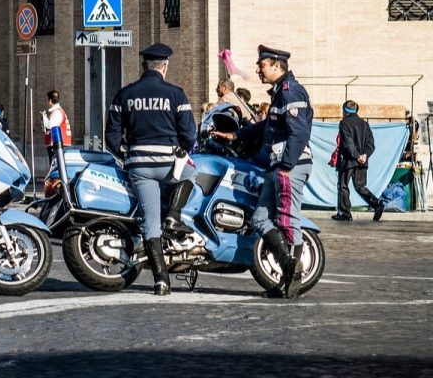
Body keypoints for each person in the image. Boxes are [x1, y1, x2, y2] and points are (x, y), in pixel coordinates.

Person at [212, 45, 313, 299]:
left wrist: (287, 166)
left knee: (288, 220)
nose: (257, 69)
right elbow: (265, 126)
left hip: (290, 166)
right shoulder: (279, 94)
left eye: (262, 65)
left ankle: (292, 280)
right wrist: (235, 134)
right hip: (276, 165)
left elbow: (299, 133)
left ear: (277, 66)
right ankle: (288, 270)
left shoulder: (291, 93)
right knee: (259, 219)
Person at [105, 43, 197, 296]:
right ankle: (175, 215)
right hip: (169, 164)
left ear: (144, 66)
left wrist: (126, 152)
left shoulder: (124, 95)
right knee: (192, 174)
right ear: (165, 67)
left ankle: (161, 281)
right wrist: (183, 148)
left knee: (150, 223)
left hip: (139, 166)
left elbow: (111, 136)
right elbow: (190, 135)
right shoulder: (176, 95)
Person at [331, 100, 384, 222]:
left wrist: (356, 155)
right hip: (362, 161)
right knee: (360, 186)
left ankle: (345, 213)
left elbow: (347, 142)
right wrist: (364, 155)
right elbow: (371, 144)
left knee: (343, 186)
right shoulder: (364, 124)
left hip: (349, 160)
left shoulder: (344, 123)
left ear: (345, 111)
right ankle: (377, 204)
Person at [42, 90, 72, 161]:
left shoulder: (57, 112)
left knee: (55, 165)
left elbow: (50, 126)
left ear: (49, 101)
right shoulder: (58, 111)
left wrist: (44, 118)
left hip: (57, 144)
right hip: (57, 144)